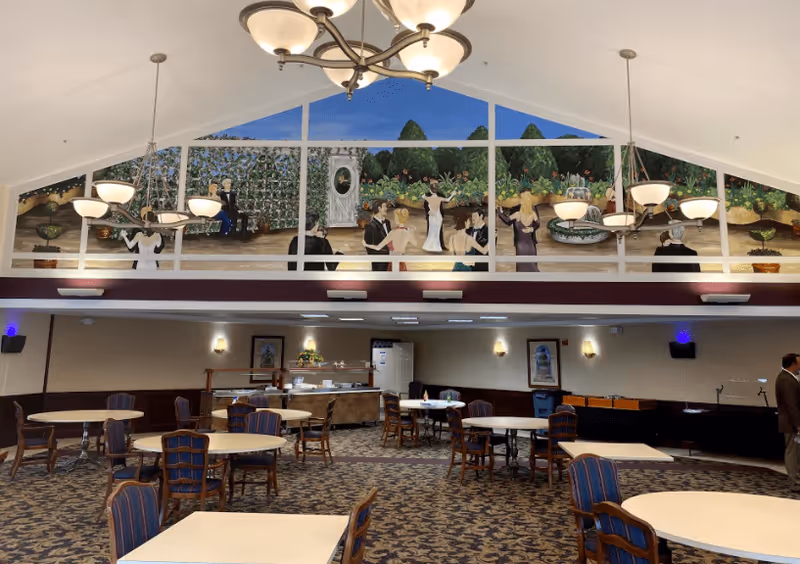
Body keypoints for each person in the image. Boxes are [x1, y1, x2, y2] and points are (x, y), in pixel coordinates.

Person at [497, 190, 540, 272]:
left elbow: (507, 220)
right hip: (530, 244)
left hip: (521, 244)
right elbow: (537, 224)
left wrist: (500, 212)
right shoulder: (533, 214)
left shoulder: (518, 214)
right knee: (531, 265)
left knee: (522, 266)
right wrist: (531, 229)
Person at [776, 353, 800, 492]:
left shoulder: (790, 378)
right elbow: (791, 405)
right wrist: (798, 424)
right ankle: (794, 482)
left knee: (797, 451)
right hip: (791, 423)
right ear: (792, 364)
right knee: (792, 452)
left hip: (793, 422)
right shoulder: (785, 379)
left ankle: (796, 479)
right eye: (799, 363)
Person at [422, 180, 457, 253]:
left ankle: (440, 245)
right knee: (431, 230)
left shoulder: (438, 195)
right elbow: (425, 206)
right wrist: (429, 212)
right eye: (434, 186)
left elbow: (446, 200)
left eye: (436, 185)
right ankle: (432, 245)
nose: (435, 187)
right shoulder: (428, 195)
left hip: (438, 215)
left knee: (438, 231)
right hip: (431, 215)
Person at [363, 199, 391, 271]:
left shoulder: (387, 223)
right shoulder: (370, 226)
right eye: (384, 207)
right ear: (379, 208)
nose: (386, 209)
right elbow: (369, 248)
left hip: (390, 260)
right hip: (379, 263)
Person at [467, 207, 490, 272]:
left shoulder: (489, 231)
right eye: (472, 216)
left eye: (475, 216)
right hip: (467, 267)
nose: (473, 218)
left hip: (481, 267)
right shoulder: (468, 230)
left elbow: (485, 252)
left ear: (481, 216)